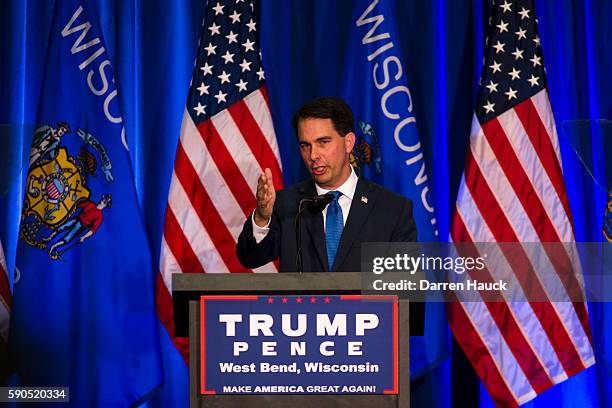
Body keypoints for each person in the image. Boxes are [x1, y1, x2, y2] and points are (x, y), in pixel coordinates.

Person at [236, 97, 417, 272]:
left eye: (323, 142)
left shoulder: (392, 209)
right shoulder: (285, 204)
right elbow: (250, 258)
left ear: (348, 143)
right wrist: (261, 217)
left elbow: (408, 293)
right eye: (305, 145)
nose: (313, 155)